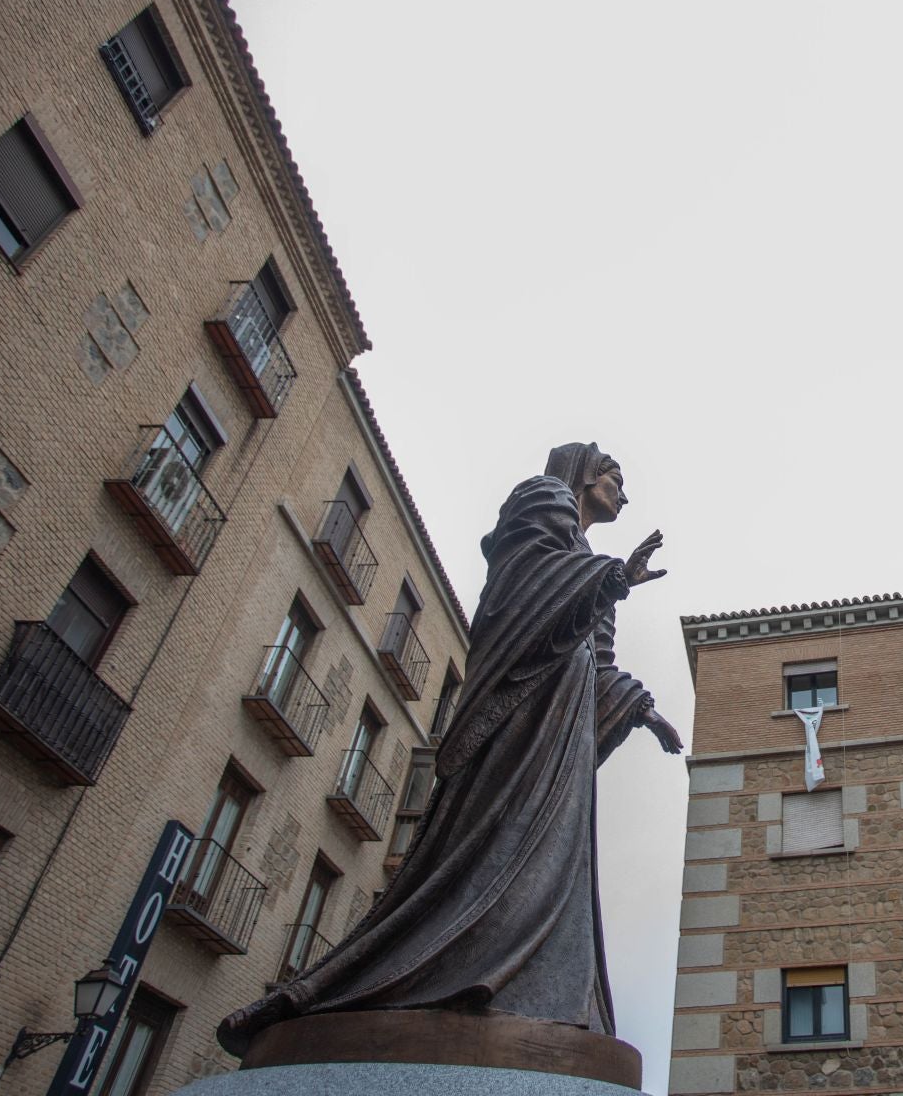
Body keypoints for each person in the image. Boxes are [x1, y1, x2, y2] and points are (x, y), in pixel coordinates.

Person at [218, 442, 680, 1056]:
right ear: (587, 474)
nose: (624, 494)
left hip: (562, 724)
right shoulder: (542, 498)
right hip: (522, 708)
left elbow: (598, 659)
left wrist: (642, 709)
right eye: (617, 479)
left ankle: (525, 978)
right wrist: (614, 578)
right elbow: (523, 587)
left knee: (551, 850)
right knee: (492, 839)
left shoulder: (590, 558)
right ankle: (436, 969)